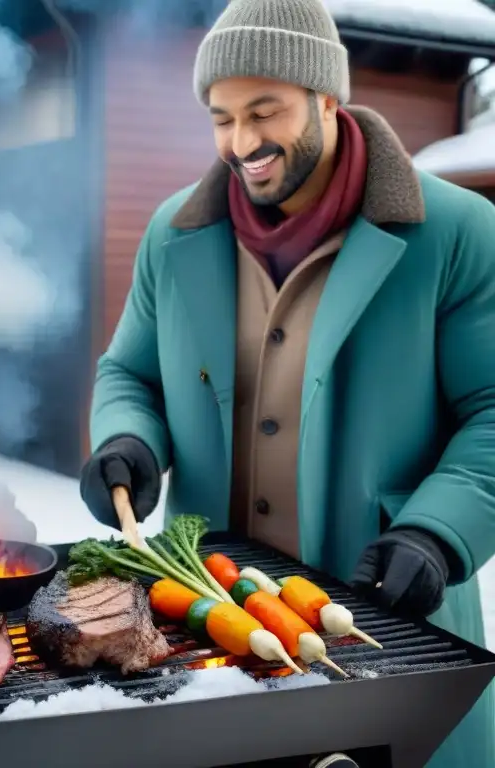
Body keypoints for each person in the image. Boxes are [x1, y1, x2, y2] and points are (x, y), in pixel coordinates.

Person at [78, 0, 495, 765]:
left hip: (389, 623)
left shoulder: (458, 233)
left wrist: (439, 532)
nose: (242, 143)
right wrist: (128, 440)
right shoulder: (175, 235)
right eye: (222, 117)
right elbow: (129, 371)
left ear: (328, 99)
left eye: (265, 111)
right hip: (215, 633)